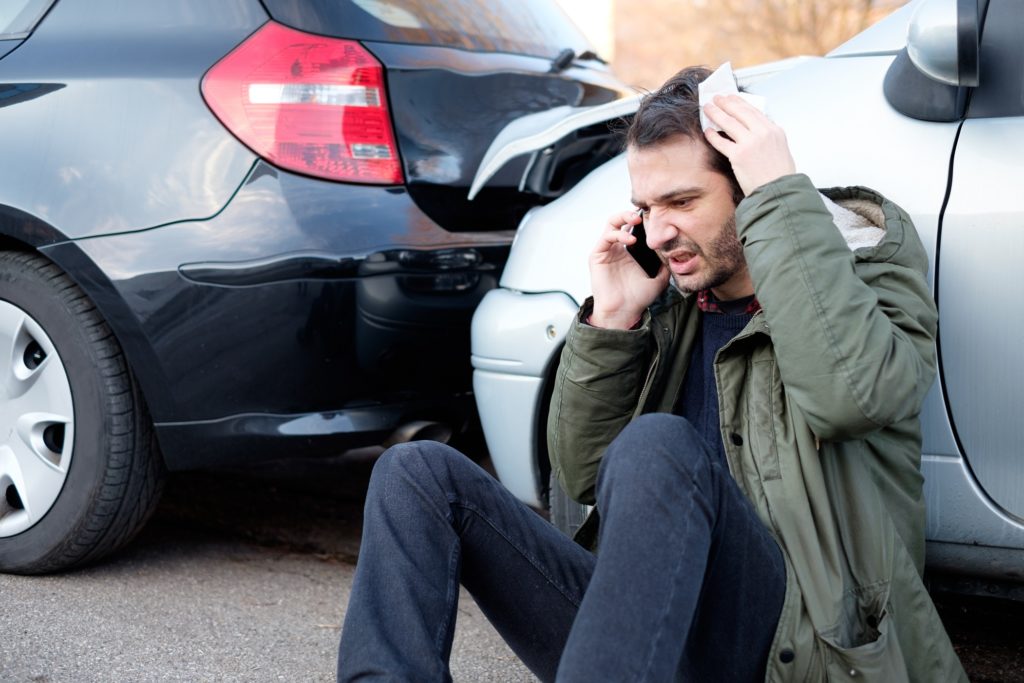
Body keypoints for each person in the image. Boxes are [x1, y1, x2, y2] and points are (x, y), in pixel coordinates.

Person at [336, 66, 966, 682]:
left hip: (793, 644)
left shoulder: (860, 264)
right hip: (643, 631)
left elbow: (849, 399)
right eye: (647, 206)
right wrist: (612, 320)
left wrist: (780, 192)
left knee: (657, 443)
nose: (661, 231)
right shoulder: (672, 306)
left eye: (684, 201)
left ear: (751, 189)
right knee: (416, 474)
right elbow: (585, 478)